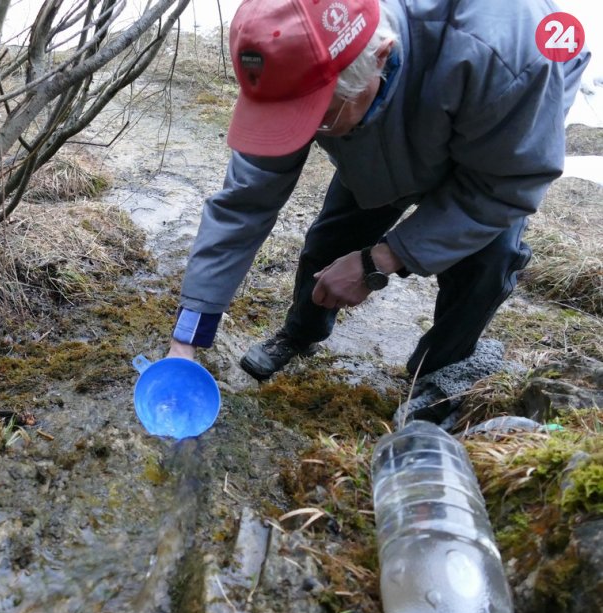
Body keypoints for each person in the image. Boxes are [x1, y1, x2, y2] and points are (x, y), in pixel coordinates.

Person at [166, 0, 590, 422]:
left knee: (484, 266)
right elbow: (244, 202)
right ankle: (301, 333)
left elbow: (505, 187)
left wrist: (381, 260)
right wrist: (188, 335)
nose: (303, 132)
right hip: (379, 131)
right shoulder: (296, 51)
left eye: (318, 116)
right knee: (331, 242)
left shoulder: (510, 55)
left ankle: (436, 377)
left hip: (495, 141)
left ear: (381, 57)